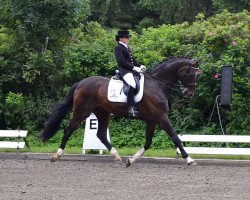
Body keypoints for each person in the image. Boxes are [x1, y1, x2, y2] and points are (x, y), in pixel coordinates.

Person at [114, 30, 146, 117]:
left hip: (131, 70)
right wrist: (134, 67)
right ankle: (130, 107)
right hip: (124, 71)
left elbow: (133, 61)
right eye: (126, 37)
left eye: (128, 37)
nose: (128, 39)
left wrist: (140, 66)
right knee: (132, 84)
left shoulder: (127, 47)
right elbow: (122, 62)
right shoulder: (118, 48)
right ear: (121, 38)